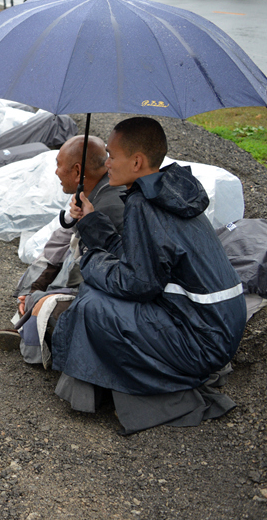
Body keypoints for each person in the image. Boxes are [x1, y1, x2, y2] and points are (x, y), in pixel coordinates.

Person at [51, 117, 246, 432]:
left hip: (202, 341)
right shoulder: (167, 190)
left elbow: (137, 284)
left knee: (93, 304)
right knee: (97, 293)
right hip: (218, 328)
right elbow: (134, 256)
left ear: (137, 161)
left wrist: (89, 262)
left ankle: (126, 389)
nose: (107, 163)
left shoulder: (144, 204)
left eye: (112, 156)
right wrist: (90, 220)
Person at [0, 135, 125, 359]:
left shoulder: (106, 208)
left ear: (76, 171)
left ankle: (37, 331)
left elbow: (82, 271)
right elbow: (60, 245)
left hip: (104, 296)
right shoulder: (94, 194)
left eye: (58, 165)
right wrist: (35, 288)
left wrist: (41, 296)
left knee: (47, 301)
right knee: (58, 243)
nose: (55, 172)